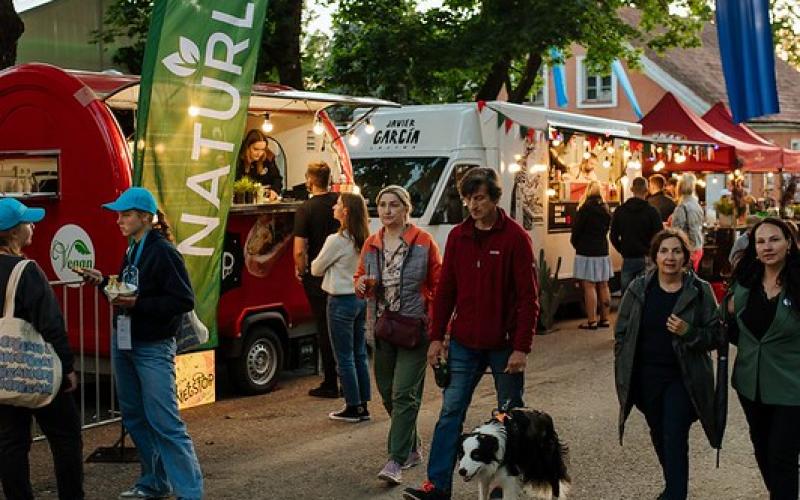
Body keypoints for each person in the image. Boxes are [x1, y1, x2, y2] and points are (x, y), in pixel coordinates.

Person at [403, 167, 539, 500]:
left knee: (508, 415)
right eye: (467, 199)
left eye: (479, 198)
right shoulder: (458, 237)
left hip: (504, 346)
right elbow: (445, 290)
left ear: (494, 197)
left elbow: (528, 298)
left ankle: (504, 484)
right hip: (464, 343)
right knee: (450, 413)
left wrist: (521, 347)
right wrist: (436, 337)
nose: (472, 205)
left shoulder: (516, 238)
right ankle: (437, 486)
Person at [80, 187, 203, 500]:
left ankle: (190, 492)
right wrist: (103, 282)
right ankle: (154, 480)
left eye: (126, 214)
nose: (118, 220)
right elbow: (130, 289)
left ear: (146, 218)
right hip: (128, 342)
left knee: (165, 421)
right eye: (118, 214)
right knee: (135, 416)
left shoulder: (162, 250)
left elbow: (183, 299)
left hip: (151, 345)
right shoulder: (134, 247)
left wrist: (138, 304)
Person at [615, 229, 720, 500]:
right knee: (659, 434)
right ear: (655, 256)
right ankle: (672, 486)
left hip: (682, 377)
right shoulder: (639, 289)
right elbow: (622, 332)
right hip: (647, 377)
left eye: (676, 251)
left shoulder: (699, 291)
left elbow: (717, 335)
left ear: (686, 257)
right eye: (664, 251)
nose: (670, 257)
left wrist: (690, 332)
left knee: (674, 434)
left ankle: (675, 494)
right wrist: (623, 362)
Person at [354, 186, 441, 485]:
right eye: (382, 205)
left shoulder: (423, 242)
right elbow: (357, 278)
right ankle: (412, 446)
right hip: (382, 327)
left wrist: (439, 328)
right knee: (388, 392)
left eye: (393, 205)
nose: (387, 211)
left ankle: (395, 460)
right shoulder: (372, 243)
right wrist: (362, 284)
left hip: (415, 328)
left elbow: (439, 285)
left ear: (406, 208)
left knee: (404, 393)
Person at [0, 199, 84, 500]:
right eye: (27, 222)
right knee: (66, 437)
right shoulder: (26, 270)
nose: (32, 226)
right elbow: (51, 324)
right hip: (35, 369)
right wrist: (68, 367)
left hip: (2, 374)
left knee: (10, 442)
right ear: (13, 234)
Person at [725, 217, 800, 499]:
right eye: (760, 241)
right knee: (763, 448)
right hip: (750, 384)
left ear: (789, 243)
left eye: (774, 239)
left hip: (792, 386)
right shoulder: (746, 283)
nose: (767, 246)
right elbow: (730, 328)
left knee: (782, 455)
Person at [311, 192, 371, 422]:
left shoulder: (335, 240)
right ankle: (363, 403)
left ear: (345, 212)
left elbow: (316, 268)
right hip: (359, 298)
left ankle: (352, 405)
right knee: (359, 353)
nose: (333, 207)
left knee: (343, 356)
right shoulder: (364, 238)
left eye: (338, 204)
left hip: (339, 300)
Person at [293, 162, 341, 399]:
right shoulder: (342, 202)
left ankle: (331, 381)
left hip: (318, 274)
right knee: (345, 330)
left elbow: (300, 250)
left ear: (309, 181)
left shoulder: (306, 208)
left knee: (324, 328)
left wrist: (302, 271)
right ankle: (349, 382)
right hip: (344, 271)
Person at [570, 181, 612, 330]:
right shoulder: (606, 210)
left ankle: (592, 320)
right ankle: (605, 319)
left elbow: (576, 231)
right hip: (602, 250)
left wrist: (576, 244)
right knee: (603, 284)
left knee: (589, 286)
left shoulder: (584, 209)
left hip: (586, 251)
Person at [610, 176, 663, 292]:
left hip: (628, 258)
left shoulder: (620, 210)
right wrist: (652, 252)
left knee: (627, 296)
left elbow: (613, 236)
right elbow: (660, 236)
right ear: (647, 190)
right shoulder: (652, 212)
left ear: (632, 189)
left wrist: (623, 249)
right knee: (647, 294)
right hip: (647, 258)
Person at [670, 174, 705, 271]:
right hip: (698, 246)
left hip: (688, 249)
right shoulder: (696, 205)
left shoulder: (682, 207)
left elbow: (676, 231)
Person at [236, 128, 282, 197]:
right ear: (247, 147)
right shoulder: (237, 161)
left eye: (262, 149)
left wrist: (274, 190)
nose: (259, 153)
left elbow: (277, 179)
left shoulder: (268, 158)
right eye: (256, 149)